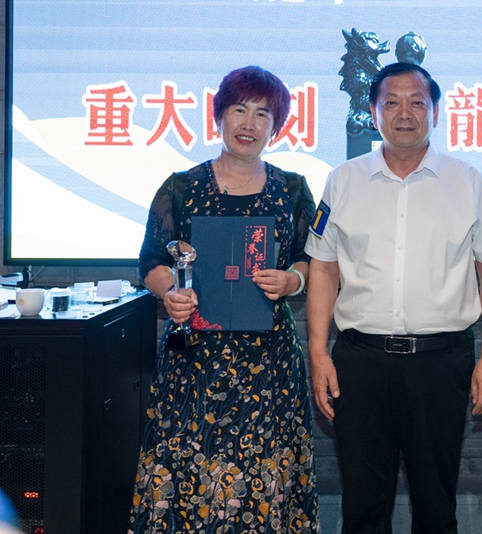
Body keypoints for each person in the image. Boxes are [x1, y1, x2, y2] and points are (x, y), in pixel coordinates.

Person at [304, 62, 482, 534]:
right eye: (391, 102)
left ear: (435, 111)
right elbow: (323, 266)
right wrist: (318, 352)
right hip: (360, 363)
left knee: (436, 505)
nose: (404, 113)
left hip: (440, 363)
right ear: (373, 110)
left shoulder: (467, 181)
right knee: (363, 505)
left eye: (417, 102)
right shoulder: (343, 179)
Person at [130, 66, 319, 533]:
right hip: (194, 360)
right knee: (187, 473)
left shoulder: (293, 190)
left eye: (263, 114)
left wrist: (292, 281)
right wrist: (170, 292)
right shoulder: (180, 188)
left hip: (269, 363)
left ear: (277, 127)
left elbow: (312, 260)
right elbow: (151, 260)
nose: (249, 124)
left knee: (266, 476)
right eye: (239, 110)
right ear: (219, 116)